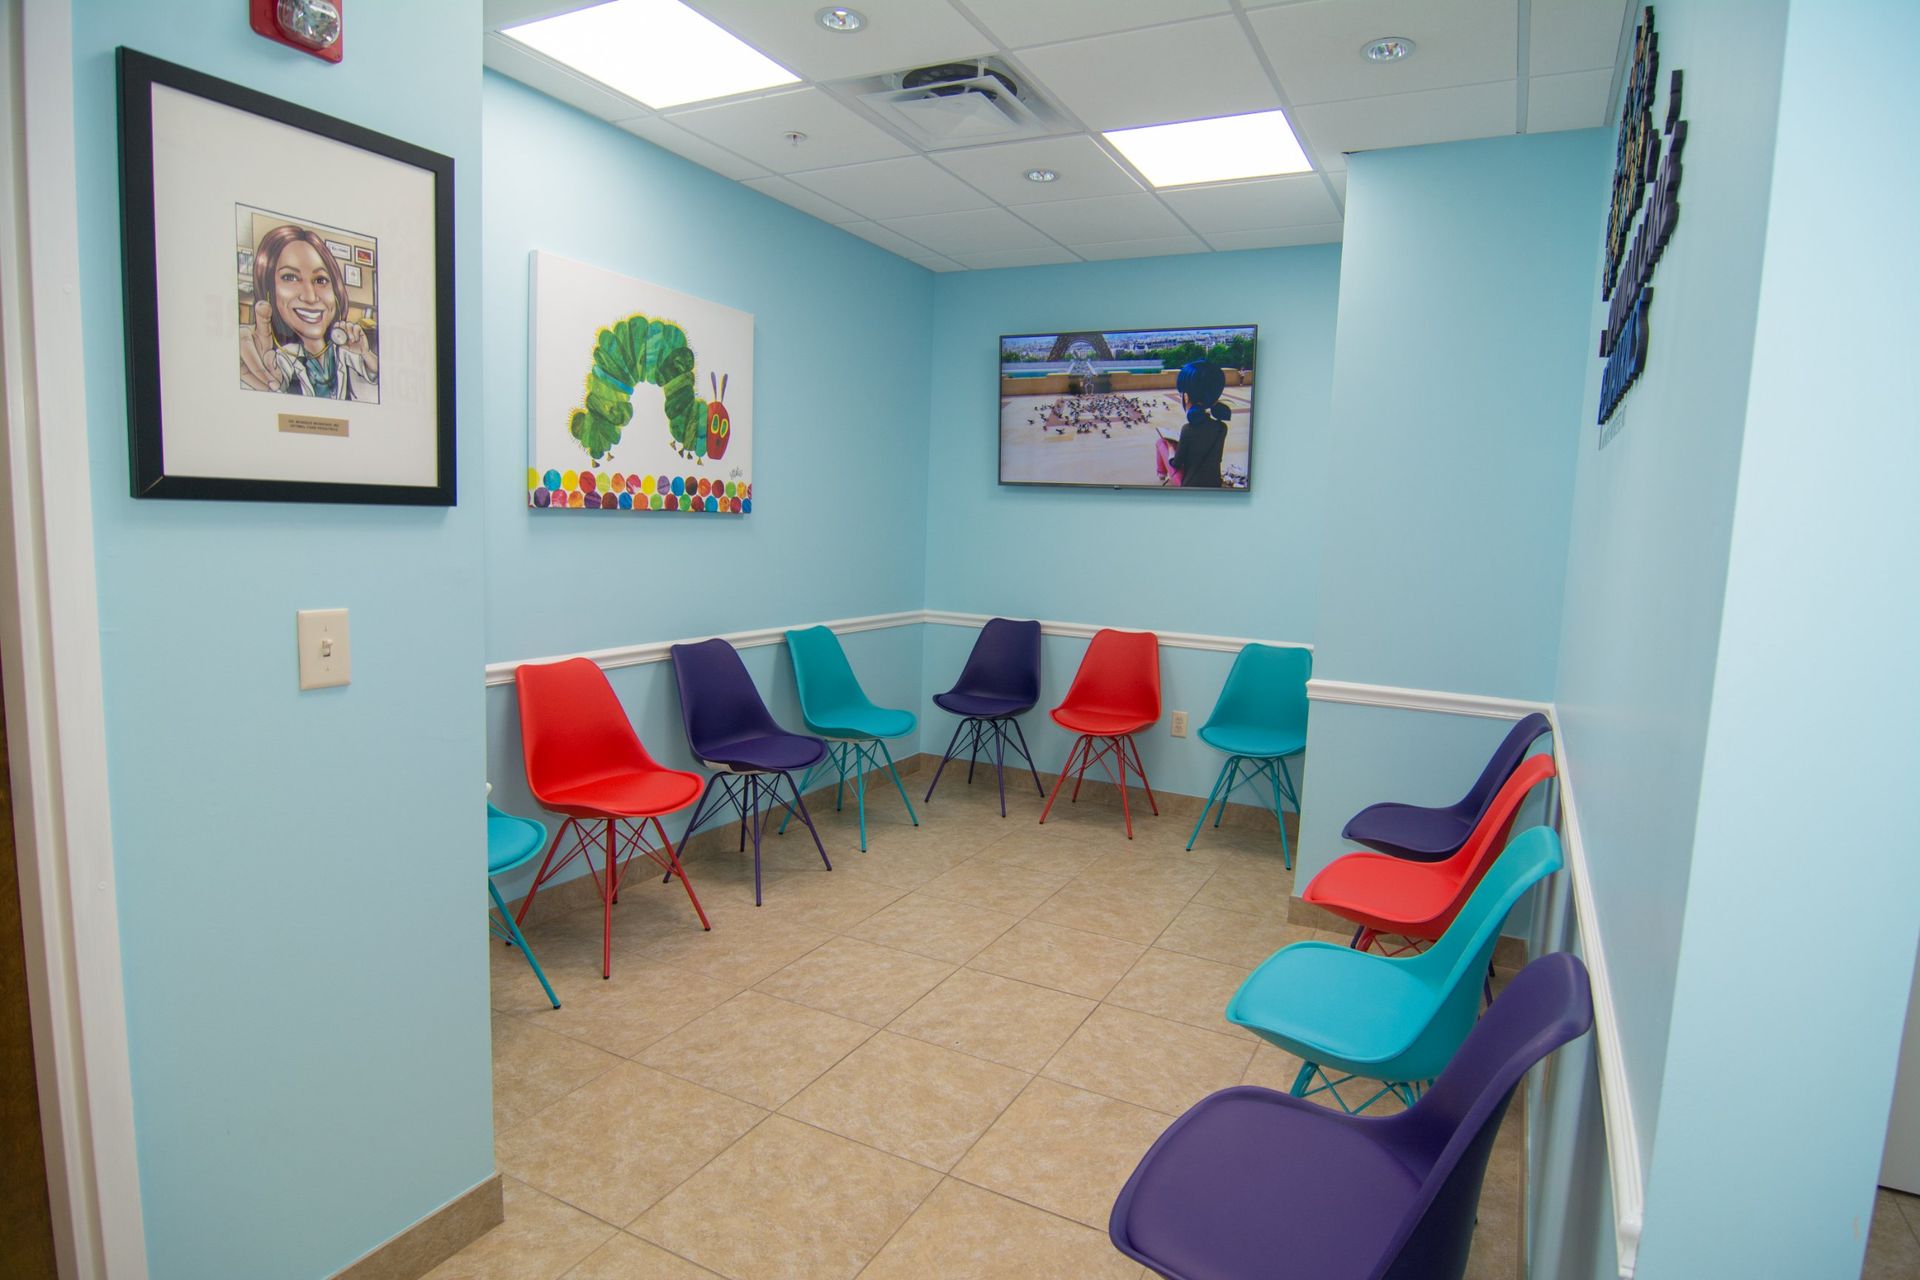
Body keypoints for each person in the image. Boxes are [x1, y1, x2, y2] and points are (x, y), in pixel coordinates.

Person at [239, 224, 378, 401]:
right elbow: (275, 384)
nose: (310, 297)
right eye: (290, 277)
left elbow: (376, 373)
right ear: (269, 290)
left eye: (320, 280)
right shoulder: (281, 359)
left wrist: (365, 353)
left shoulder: (342, 351)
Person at [1155, 360, 1230, 487]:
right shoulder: (1222, 427)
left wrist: (1171, 448)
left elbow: (1176, 463)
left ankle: (1161, 474)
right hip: (1215, 482)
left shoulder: (1188, 429)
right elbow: (1217, 458)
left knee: (1161, 442)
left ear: (1185, 397)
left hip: (1189, 484)